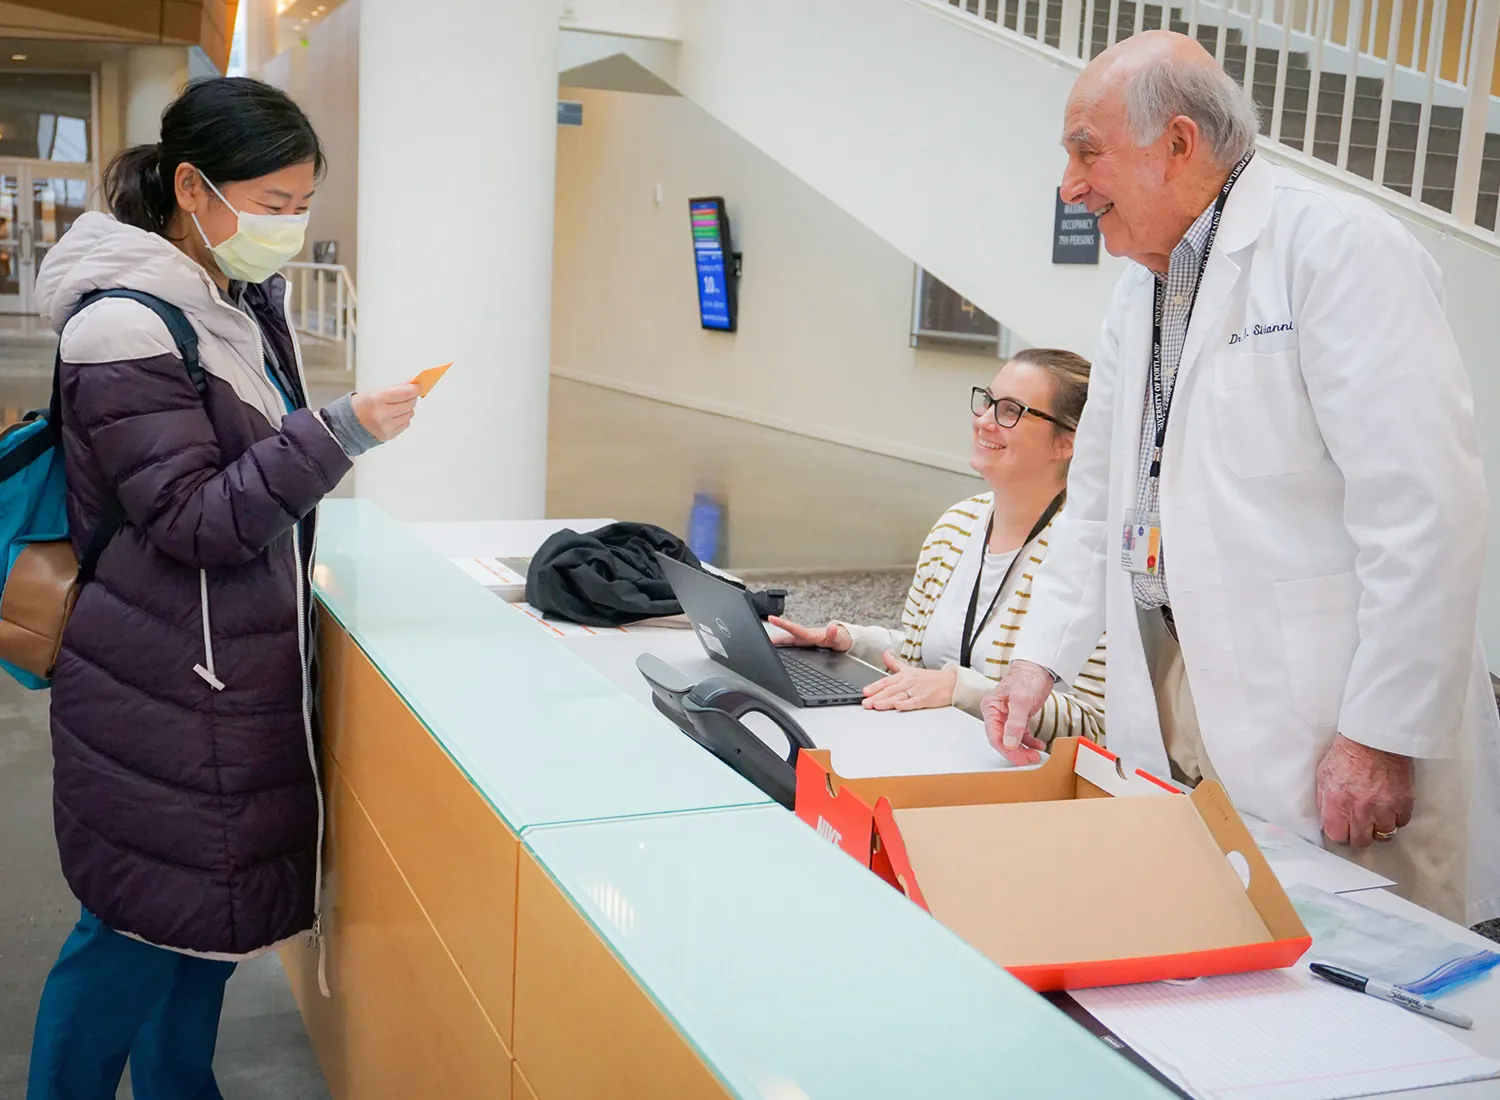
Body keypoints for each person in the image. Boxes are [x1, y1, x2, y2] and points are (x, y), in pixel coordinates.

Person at [982, 31, 1500, 926]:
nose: (1069, 185)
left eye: (1086, 151)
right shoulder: (1140, 290)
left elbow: (1425, 512)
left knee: (1359, 985)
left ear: (1178, 145)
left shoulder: (1338, 250)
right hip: (1180, 686)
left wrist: (1379, 734)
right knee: (1214, 952)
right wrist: (1037, 662)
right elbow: (1101, 502)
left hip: (1323, 713)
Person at [25, 78, 422, 1099]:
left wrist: (317, 430)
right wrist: (339, 435)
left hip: (210, 667)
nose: (289, 227)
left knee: (193, 929)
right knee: (126, 936)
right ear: (193, 187)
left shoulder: (229, 300)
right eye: (274, 204)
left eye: (302, 206)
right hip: (160, 677)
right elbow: (198, 520)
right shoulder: (121, 326)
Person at [771, 349, 1106, 742]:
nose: (984, 420)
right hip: (931, 745)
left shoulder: (1091, 556)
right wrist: (849, 642)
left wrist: (959, 690)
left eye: (1011, 410)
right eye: (987, 401)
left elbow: (1093, 722)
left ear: (1067, 443)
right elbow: (920, 657)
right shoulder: (956, 525)